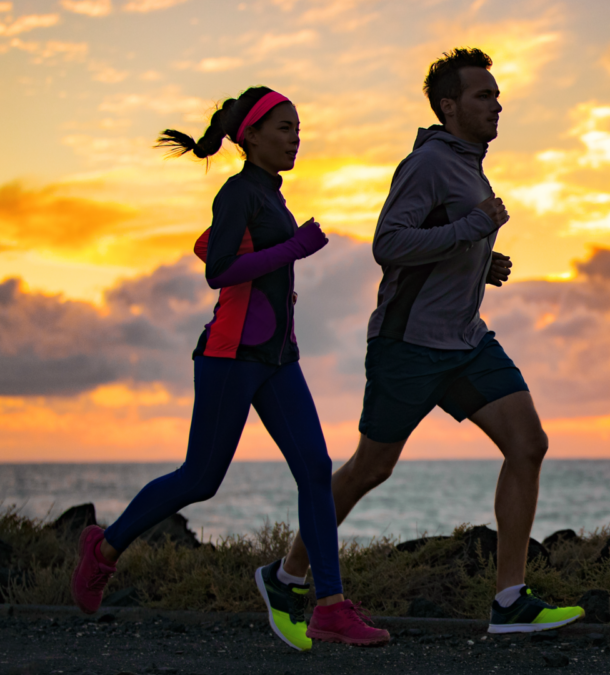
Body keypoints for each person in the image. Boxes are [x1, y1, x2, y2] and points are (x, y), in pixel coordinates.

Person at [269, 48, 585, 635]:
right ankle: (286, 576)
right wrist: (474, 229)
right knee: (369, 468)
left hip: (465, 342)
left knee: (528, 443)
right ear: (449, 105)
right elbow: (389, 243)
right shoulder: (429, 163)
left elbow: (439, 238)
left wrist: (478, 260)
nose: (496, 104)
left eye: (496, 95)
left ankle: (510, 600)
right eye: (482, 96)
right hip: (408, 345)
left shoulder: (469, 164)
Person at [68, 86, 389, 651]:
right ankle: (104, 550)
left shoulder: (273, 197)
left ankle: (331, 606)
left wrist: (289, 253)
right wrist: (297, 247)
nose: (296, 137)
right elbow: (219, 270)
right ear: (252, 137)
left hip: (277, 358)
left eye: (298, 127)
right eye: (285, 127)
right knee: (200, 479)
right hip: (229, 357)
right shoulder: (237, 192)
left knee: (316, 469)